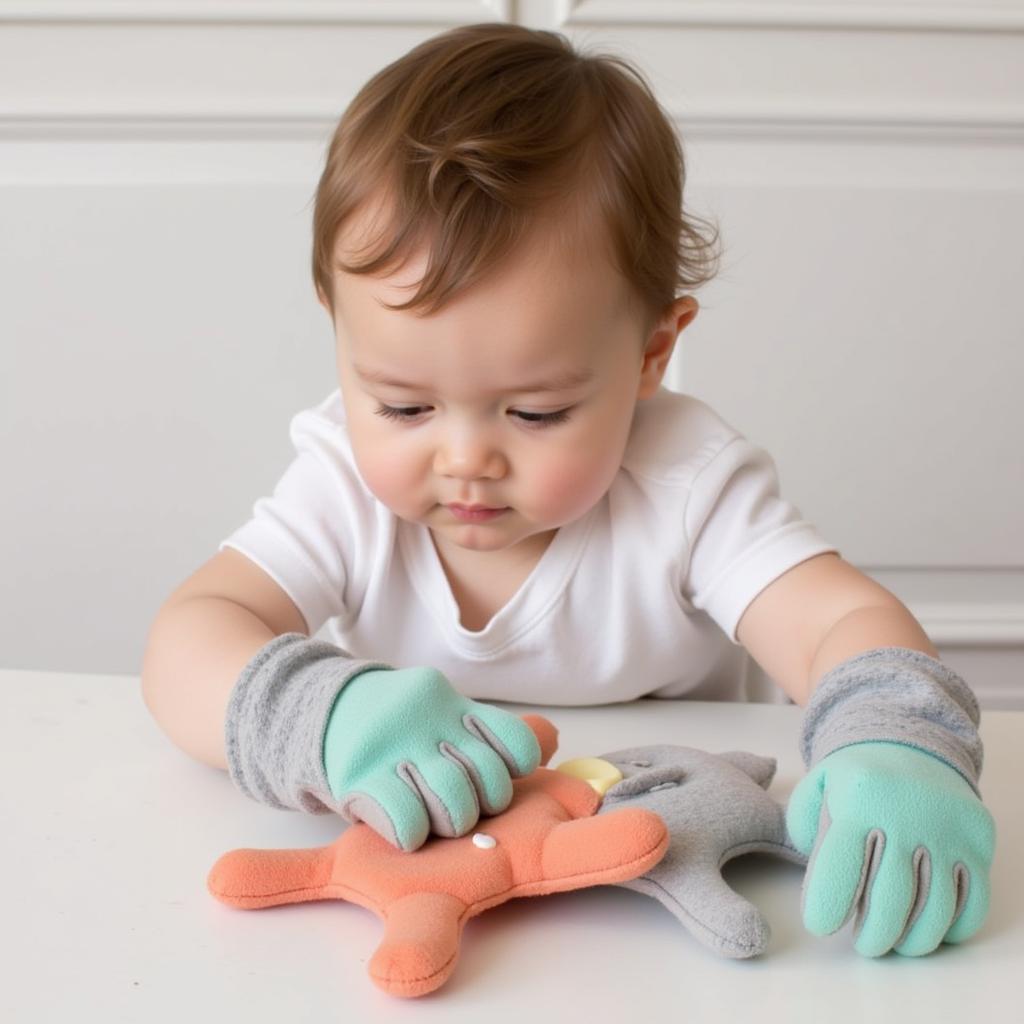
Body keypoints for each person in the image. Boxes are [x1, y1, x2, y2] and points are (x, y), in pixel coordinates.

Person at [140, 23, 994, 959]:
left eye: (536, 413)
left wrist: (897, 741)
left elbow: (837, 622)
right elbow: (189, 636)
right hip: (436, 887)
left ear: (649, 355)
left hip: (663, 898)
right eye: (402, 403)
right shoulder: (344, 482)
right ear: (339, 337)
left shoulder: (687, 483)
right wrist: (324, 715)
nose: (464, 457)